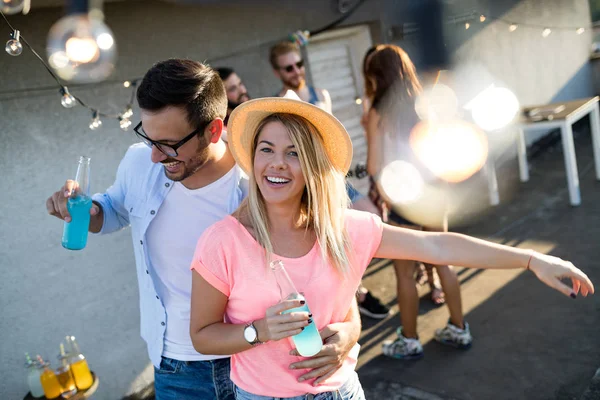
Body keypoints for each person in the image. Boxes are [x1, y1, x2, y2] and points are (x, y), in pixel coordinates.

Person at [189, 93, 593, 399]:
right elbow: (203, 336)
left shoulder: (344, 229)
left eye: (294, 153)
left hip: (342, 392)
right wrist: (257, 331)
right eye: (267, 150)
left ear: (313, 168)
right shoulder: (222, 241)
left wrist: (530, 259)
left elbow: (436, 248)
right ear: (253, 158)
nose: (277, 163)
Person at [46, 59, 362, 400]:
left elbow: (325, 265)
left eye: (168, 143)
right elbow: (111, 211)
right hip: (177, 368)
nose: (154, 156)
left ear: (213, 130)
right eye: (148, 137)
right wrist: (84, 210)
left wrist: (351, 329)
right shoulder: (140, 161)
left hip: (262, 366)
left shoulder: (261, 182)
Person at [218, 64, 390, 319]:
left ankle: (353, 296)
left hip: (301, 198)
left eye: (240, 84)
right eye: (232, 89)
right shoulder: (225, 139)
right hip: (261, 219)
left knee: (330, 251)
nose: (241, 90)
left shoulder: (265, 118)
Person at [361, 44, 478, 359]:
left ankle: (409, 340)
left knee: (403, 273)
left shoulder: (376, 111)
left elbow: (373, 166)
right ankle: (459, 328)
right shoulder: (427, 102)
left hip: (403, 197)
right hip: (434, 191)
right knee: (443, 261)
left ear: (378, 76)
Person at [270, 41, 332, 113]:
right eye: (289, 68)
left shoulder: (322, 95)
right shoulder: (275, 107)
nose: (297, 72)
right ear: (277, 73)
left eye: (299, 64)